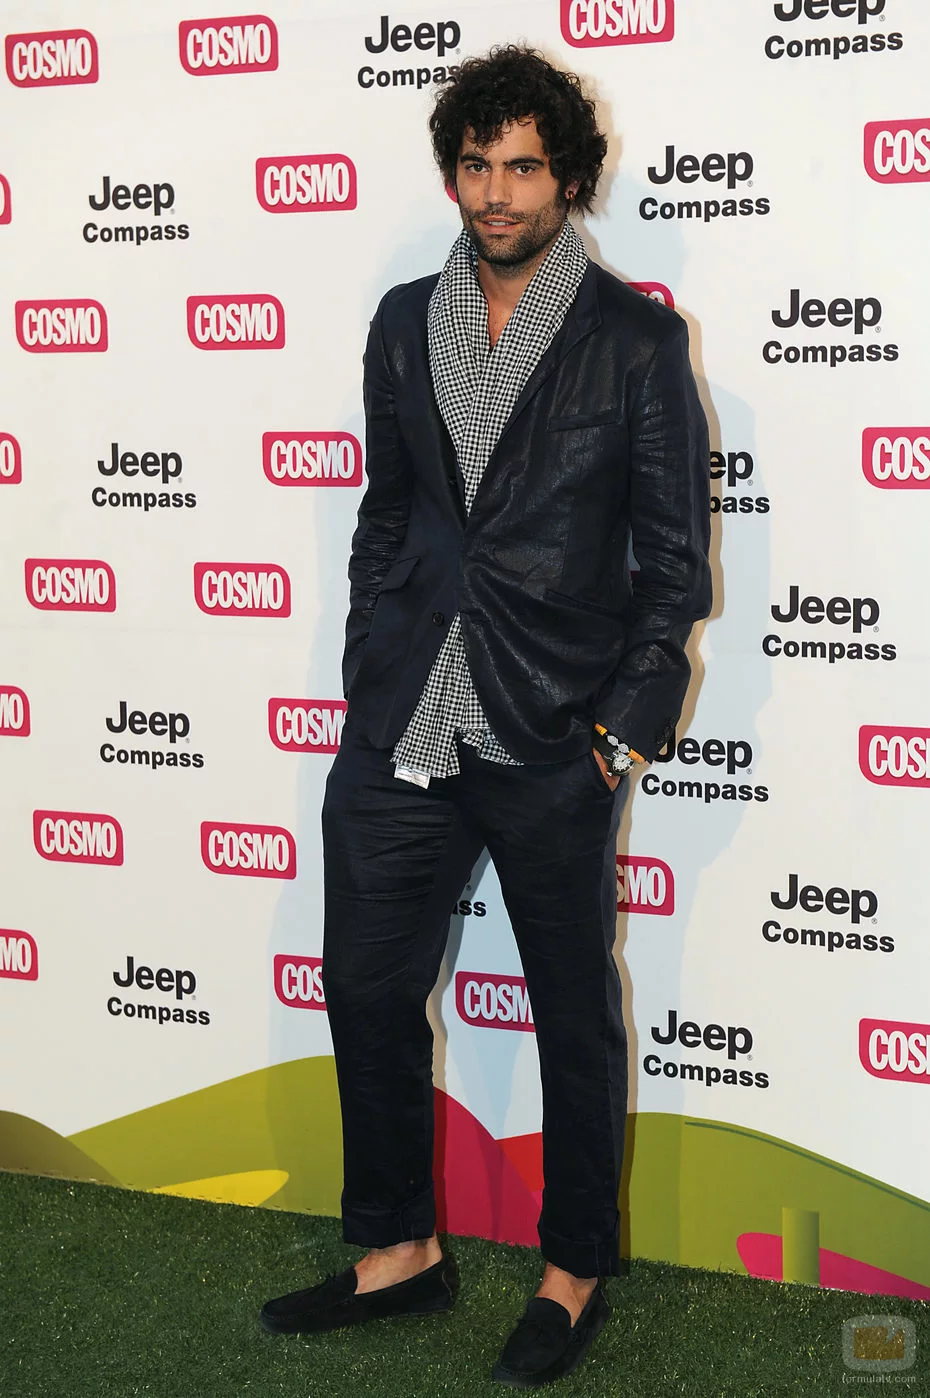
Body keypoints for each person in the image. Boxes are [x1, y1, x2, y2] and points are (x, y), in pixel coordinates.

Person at [261, 44, 711, 1387]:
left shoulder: (635, 342)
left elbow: (672, 566)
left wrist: (621, 730)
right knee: (364, 984)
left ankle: (572, 1270)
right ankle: (400, 1248)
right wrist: (369, 655)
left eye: (523, 166)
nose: (497, 192)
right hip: (404, 713)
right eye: (476, 164)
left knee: (570, 1009)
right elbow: (388, 509)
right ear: (452, 172)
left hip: (553, 724)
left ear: (567, 178)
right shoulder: (404, 321)